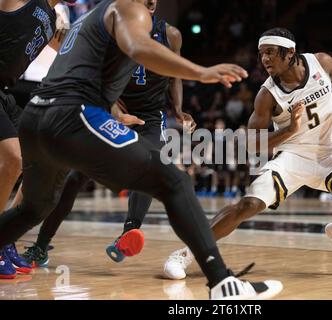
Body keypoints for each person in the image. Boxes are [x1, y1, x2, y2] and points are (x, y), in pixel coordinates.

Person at [0, 0, 282, 299]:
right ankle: (223, 285)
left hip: (35, 116)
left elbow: (76, 71)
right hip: (72, 114)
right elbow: (139, 48)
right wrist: (200, 72)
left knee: (32, 208)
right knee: (174, 181)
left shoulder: (86, 20)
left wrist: (116, 112)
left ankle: (43, 242)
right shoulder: (127, 8)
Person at [163, 27, 332, 280]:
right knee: (248, 204)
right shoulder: (267, 95)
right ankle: (185, 254)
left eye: (271, 53)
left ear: (290, 53)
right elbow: (252, 144)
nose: (264, 59)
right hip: (291, 158)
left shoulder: (320, 62)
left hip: (329, 155)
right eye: (262, 53)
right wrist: (290, 130)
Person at [22, 0, 197, 266]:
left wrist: (179, 108)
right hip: (111, 111)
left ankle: (129, 233)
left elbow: (175, 76)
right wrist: (113, 108)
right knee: (73, 178)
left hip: (150, 117)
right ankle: (40, 246)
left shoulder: (170, 34)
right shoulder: (111, 23)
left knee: (152, 163)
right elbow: (97, 72)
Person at [0, 0, 74, 279]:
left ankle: (7, 236)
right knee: (14, 158)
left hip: (5, 93)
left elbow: (72, 48)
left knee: (42, 161)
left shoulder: (55, 22)